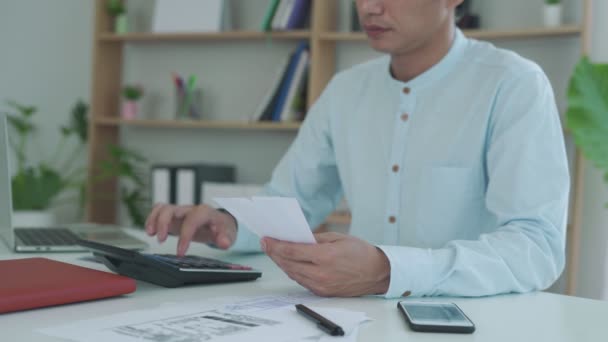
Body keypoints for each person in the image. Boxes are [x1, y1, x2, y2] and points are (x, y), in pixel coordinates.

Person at [145, 0, 569, 299]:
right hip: (355, 320)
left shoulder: (512, 85)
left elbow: (537, 247)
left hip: (481, 324)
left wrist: (388, 270)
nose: (368, 7)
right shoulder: (346, 89)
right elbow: (292, 200)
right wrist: (228, 224)